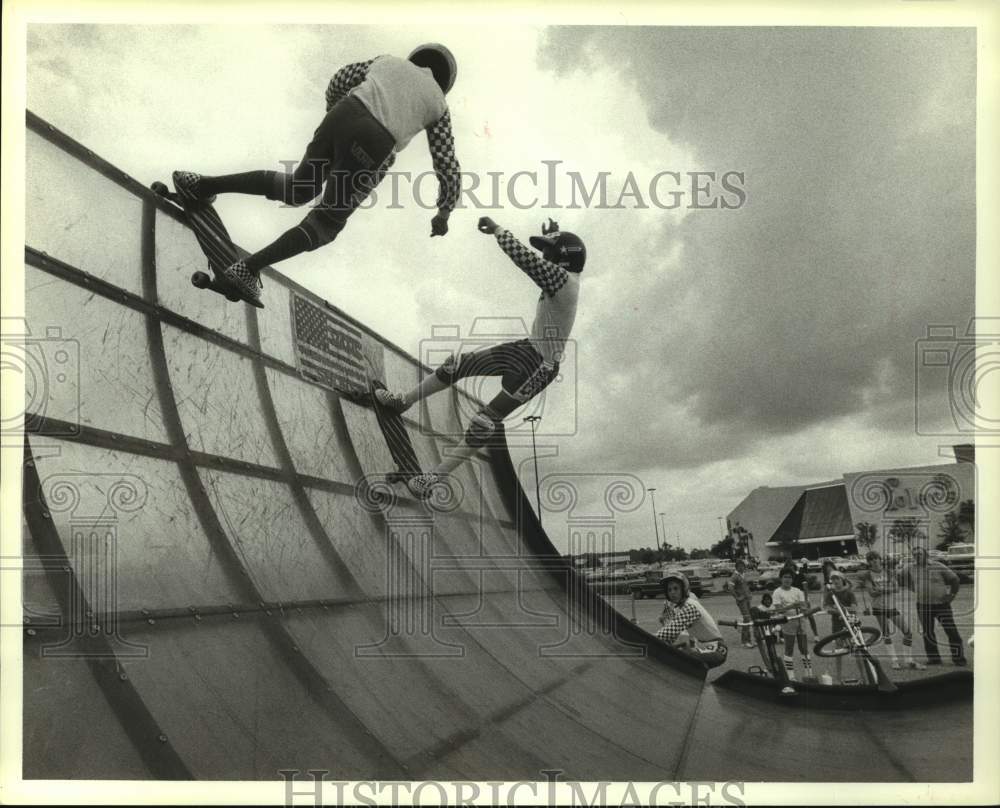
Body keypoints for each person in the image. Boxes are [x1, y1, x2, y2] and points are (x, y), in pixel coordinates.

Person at [172, 44, 462, 305]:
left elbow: (340, 79)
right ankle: (247, 269)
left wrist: (335, 117)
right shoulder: (438, 104)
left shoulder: (388, 62)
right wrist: (443, 213)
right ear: (444, 82)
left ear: (418, 58)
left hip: (344, 112)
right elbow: (447, 164)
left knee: (298, 187)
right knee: (326, 223)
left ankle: (199, 184)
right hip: (375, 142)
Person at [377, 216, 585, 498]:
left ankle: (433, 480)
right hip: (527, 349)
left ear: (561, 259)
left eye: (548, 254)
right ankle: (403, 402)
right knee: (458, 365)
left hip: (538, 366)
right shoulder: (562, 276)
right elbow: (540, 259)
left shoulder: (563, 280)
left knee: (484, 421)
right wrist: (552, 239)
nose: (543, 257)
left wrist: (499, 230)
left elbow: (523, 258)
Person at [898, 545, 966, 666]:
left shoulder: (937, 566)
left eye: (919, 554)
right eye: (914, 554)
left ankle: (959, 659)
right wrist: (911, 586)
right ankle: (934, 659)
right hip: (923, 606)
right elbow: (899, 576)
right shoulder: (910, 568)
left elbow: (955, 579)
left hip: (941, 605)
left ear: (926, 555)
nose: (916, 556)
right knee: (927, 633)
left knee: (951, 631)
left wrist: (951, 595)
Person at [856, 550, 924, 671]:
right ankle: (894, 661)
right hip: (878, 608)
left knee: (907, 632)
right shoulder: (867, 575)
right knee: (886, 634)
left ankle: (908, 660)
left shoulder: (888, 572)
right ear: (869, 562)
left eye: (876, 558)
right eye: (871, 560)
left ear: (880, 559)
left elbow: (897, 588)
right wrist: (887, 588)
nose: (874, 561)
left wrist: (881, 589)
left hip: (891, 607)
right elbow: (871, 593)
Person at [655, 573, 728, 668]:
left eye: (676, 588)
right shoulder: (681, 607)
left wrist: (647, 639)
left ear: (684, 589)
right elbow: (671, 637)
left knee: (680, 656)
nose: (672, 592)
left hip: (717, 649)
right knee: (678, 652)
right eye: (669, 590)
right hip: (706, 647)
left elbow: (669, 632)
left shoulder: (690, 606)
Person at [771, 569, 815, 682]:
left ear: (792, 579)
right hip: (788, 622)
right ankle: (791, 675)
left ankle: (808, 673)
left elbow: (805, 605)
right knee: (789, 648)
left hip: (800, 620)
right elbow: (778, 610)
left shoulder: (798, 591)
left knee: (804, 648)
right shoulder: (777, 592)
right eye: (785, 577)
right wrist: (792, 606)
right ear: (781, 578)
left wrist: (805, 607)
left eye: (790, 577)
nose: (787, 579)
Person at [725, 559, 756, 648]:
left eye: (744, 566)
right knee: (746, 619)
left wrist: (749, 594)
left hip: (747, 599)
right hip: (742, 601)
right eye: (741, 566)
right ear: (737, 567)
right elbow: (730, 587)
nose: (743, 568)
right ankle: (745, 641)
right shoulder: (735, 576)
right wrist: (737, 597)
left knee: (748, 619)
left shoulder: (742, 575)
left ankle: (748, 640)